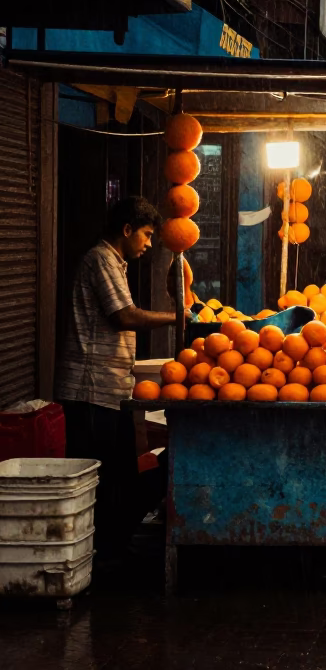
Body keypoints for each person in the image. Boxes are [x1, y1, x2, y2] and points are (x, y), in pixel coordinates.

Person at [57, 197, 180, 554]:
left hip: (113, 391)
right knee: (102, 477)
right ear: (126, 230)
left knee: (127, 473)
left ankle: (110, 546)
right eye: (144, 234)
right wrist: (177, 317)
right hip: (90, 390)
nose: (148, 242)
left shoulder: (116, 262)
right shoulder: (100, 259)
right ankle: (97, 552)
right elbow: (124, 316)